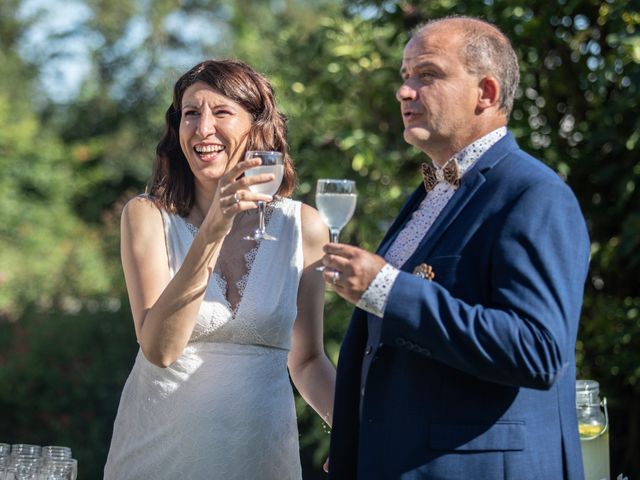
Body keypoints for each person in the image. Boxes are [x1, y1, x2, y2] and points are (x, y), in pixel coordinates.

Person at [322, 16, 590, 479]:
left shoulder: (534, 193)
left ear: (485, 93)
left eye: (427, 75)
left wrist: (388, 289)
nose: (405, 92)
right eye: (404, 77)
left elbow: (538, 350)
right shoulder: (430, 192)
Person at [103, 59, 335, 479]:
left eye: (221, 112)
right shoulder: (146, 216)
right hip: (158, 456)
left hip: (262, 458)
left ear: (258, 127)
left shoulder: (305, 226)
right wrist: (213, 230)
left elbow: (308, 361)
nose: (203, 128)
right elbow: (159, 349)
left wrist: (359, 436)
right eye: (191, 113)